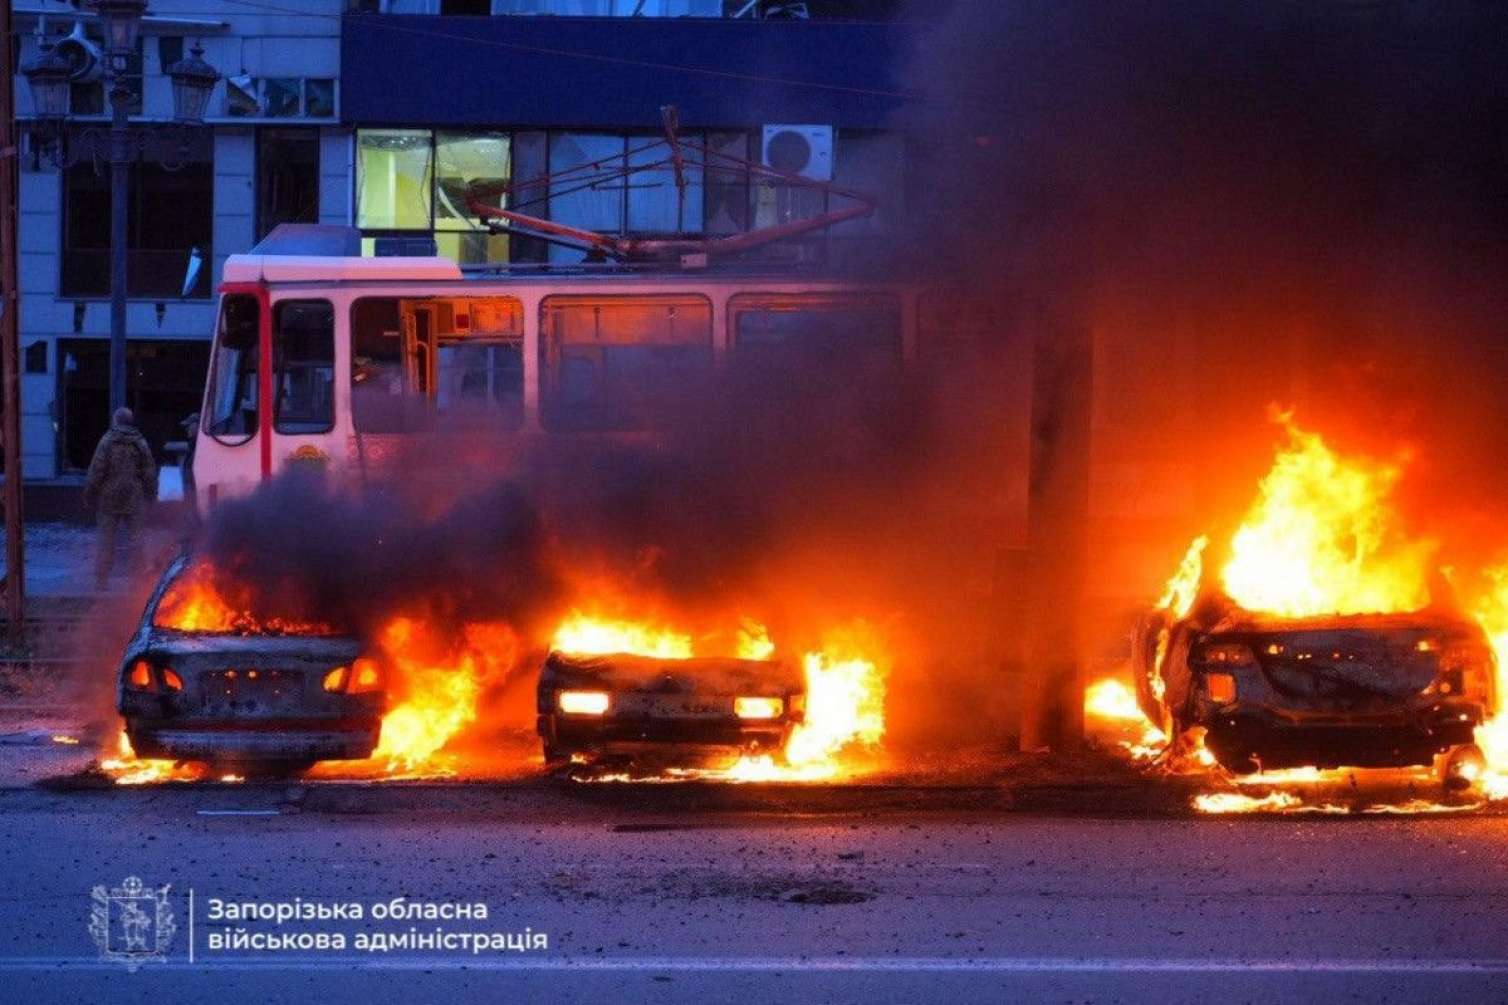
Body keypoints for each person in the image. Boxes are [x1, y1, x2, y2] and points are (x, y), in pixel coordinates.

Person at [83, 407, 158, 589]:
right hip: (134, 497)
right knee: (137, 541)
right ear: (130, 422)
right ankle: (138, 582)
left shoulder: (106, 441)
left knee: (106, 541)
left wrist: (89, 494)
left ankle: (102, 581)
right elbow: (149, 472)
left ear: (115, 420)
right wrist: (151, 495)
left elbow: (96, 471)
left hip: (108, 499)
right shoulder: (140, 442)